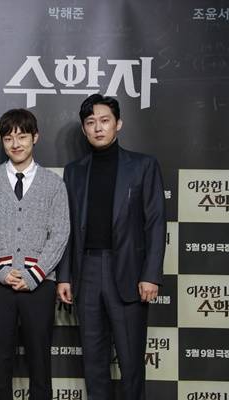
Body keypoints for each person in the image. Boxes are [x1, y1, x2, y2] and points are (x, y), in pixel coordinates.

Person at [57, 94, 166, 400]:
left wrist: (151, 275)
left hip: (129, 270)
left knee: (131, 363)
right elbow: (67, 227)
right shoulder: (74, 171)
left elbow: (156, 223)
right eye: (91, 122)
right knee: (93, 362)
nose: (98, 128)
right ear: (84, 129)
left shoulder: (143, 166)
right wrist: (65, 276)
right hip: (87, 271)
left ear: (118, 124)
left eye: (105, 121)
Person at [0, 109, 69, 400]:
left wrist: (34, 274)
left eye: (22, 136)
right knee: (0, 361)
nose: (16, 144)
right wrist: (1, 271)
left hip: (39, 283)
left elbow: (60, 233)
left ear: (35, 137)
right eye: (8, 138)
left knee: (40, 361)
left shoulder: (54, 183)